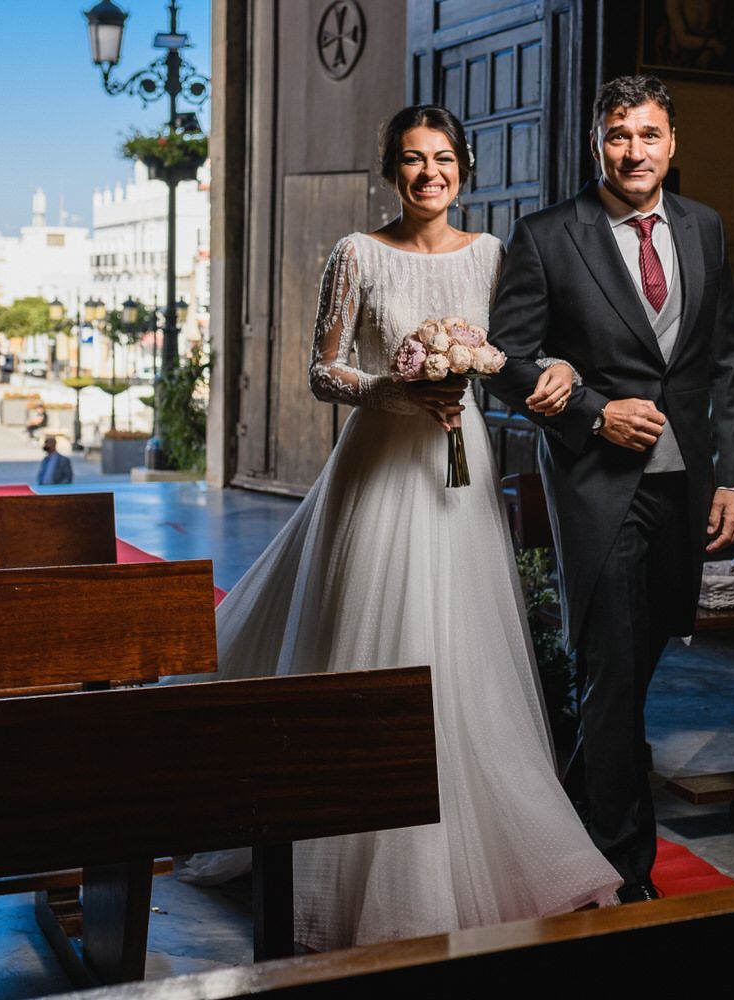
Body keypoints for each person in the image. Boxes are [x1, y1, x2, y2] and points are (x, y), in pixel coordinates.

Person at [179, 104, 620, 950]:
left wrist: (547, 367)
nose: (430, 174)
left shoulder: (494, 255)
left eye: (444, 158)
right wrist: (390, 388)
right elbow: (322, 367)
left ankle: (482, 836)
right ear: (391, 170)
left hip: (459, 466)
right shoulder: (356, 254)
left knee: (464, 646)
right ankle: (356, 851)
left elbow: (524, 351)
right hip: (379, 466)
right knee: (373, 642)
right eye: (413, 160)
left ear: (465, 167)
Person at [487, 74, 734, 902]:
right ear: (595, 142)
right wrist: (597, 414)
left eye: (648, 135)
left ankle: (564, 813)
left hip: (688, 485)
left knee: (637, 664)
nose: (633, 151)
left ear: (672, 145)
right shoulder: (548, 236)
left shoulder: (705, 228)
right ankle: (621, 870)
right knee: (610, 668)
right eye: (617, 135)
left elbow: (726, 360)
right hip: (597, 487)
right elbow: (506, 362)